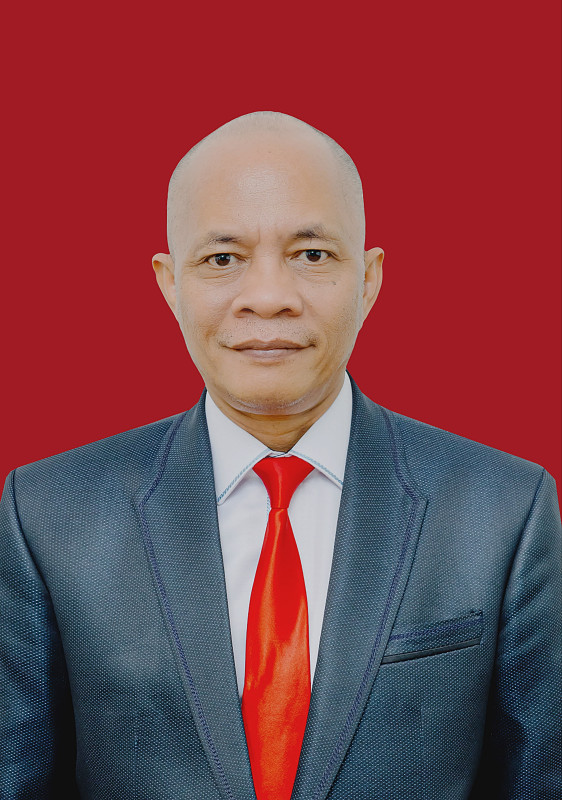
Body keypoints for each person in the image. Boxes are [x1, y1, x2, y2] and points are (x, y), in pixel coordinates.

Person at [0, 111, 560, 800]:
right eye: (223, 259)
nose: (268, 299)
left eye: (312, 255)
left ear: (369, 279)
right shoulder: (49, 515)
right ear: (170, 284)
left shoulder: (503, 510)